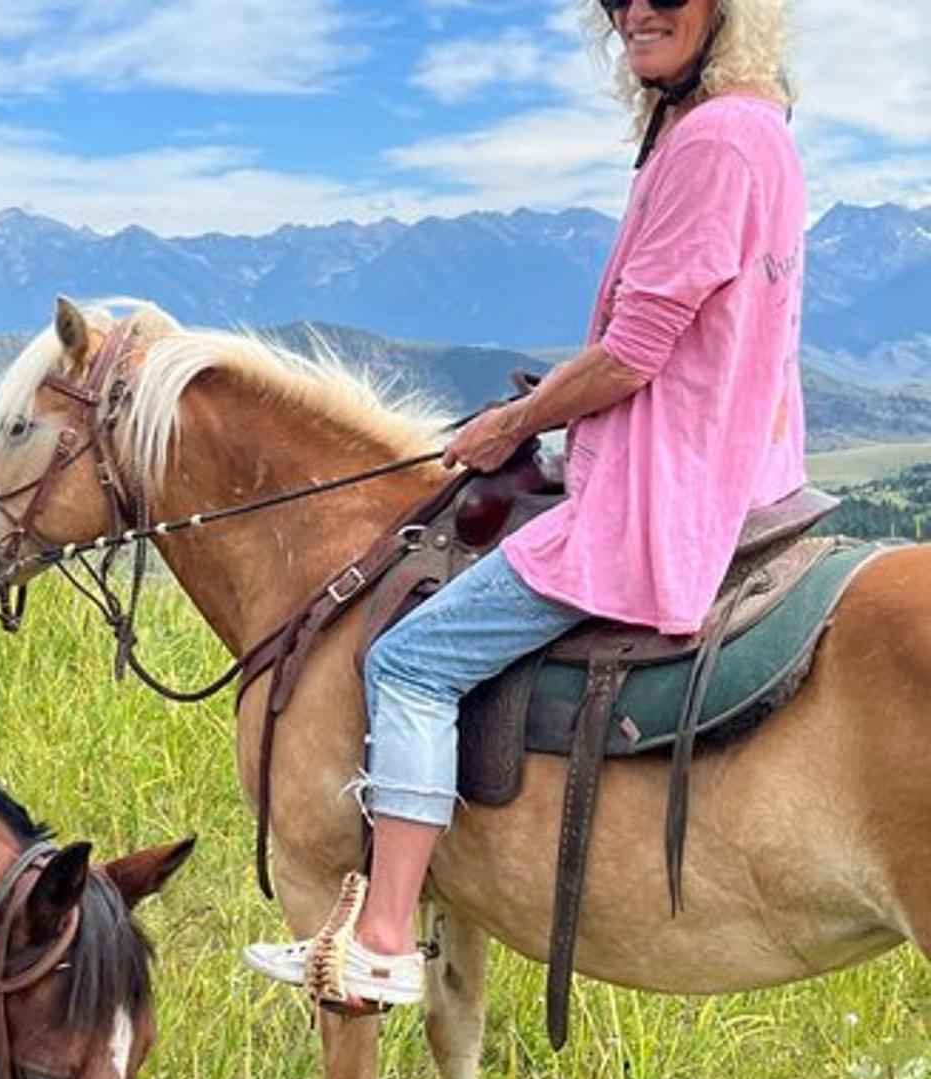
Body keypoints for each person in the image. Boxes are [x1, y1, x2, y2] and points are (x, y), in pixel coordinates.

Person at [244, 0, 806, 1006]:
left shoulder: (711, 138)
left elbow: (634, 355)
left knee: (407, 660)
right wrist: (555, 410)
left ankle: (377, 937)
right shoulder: (759, 125)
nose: (636, 10)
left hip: (661, 489)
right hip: (739, 461)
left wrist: (513, 426)